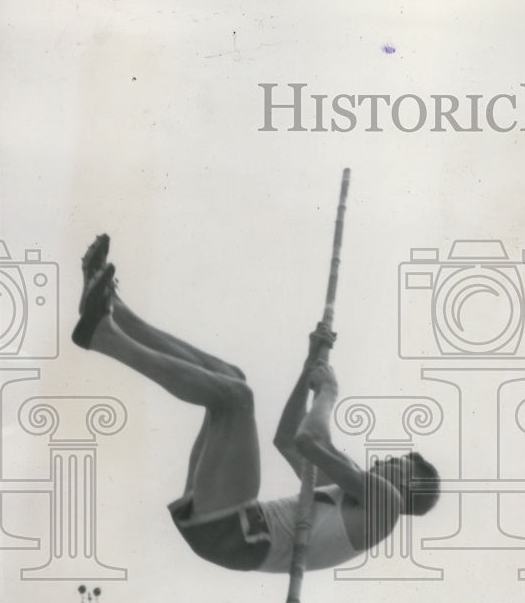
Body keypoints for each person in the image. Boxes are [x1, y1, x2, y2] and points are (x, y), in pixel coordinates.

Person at [72, 235, 440, 574]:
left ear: (409, 486)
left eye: (400, 464)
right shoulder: (348, 491)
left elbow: (310, 441)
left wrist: (329, 390)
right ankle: (116, 311)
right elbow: (286, 439)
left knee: (236, 399)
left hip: (239, 534)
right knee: (231, 378)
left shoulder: (386, 504)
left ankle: (103, 336)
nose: (389, 459)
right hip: (226, 528)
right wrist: (309, 365)